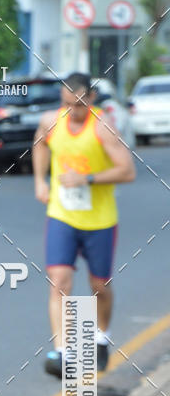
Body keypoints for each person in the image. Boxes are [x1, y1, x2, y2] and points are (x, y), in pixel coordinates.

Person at [32, 72, 135, 378]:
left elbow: (127, 171)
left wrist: (86, 178)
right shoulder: (52, 120)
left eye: (78, 105)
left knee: (99, 287)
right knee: (59, 281)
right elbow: (39, 144)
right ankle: (62, 353)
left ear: (90, 99)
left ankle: (101, 335)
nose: (72, 112)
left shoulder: (103, 128)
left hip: (99, 220)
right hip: (62, 215)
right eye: (66, 104)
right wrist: (40, 181)